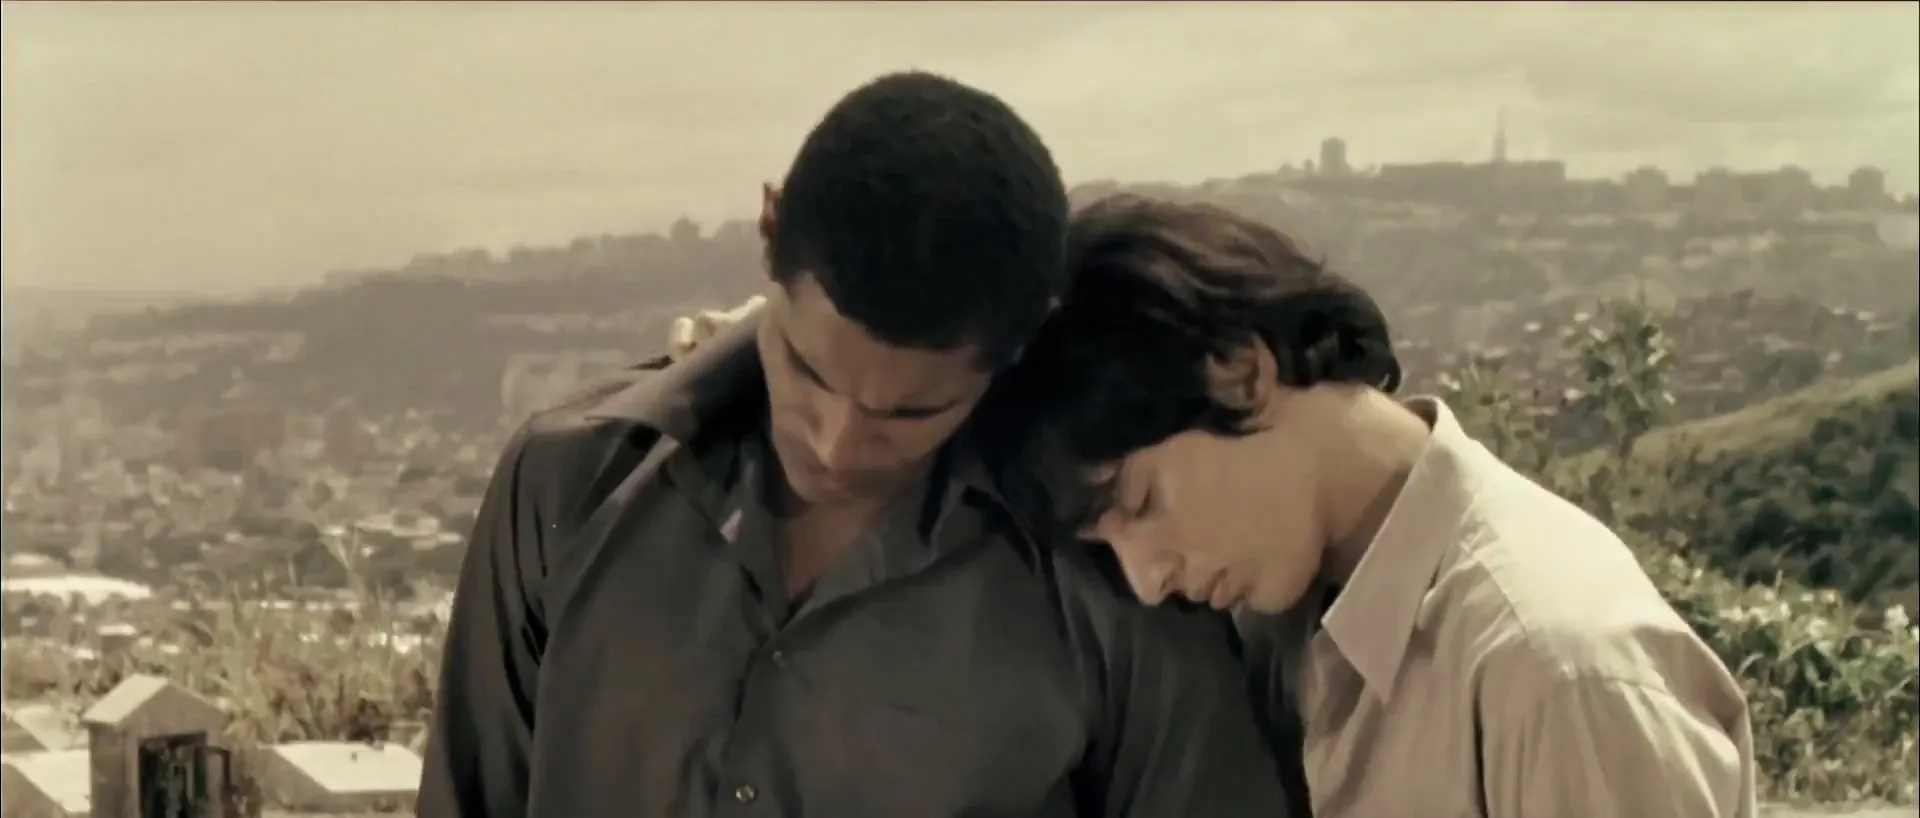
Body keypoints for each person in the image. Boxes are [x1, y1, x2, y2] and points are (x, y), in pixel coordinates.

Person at [417, 73, 1294, 818]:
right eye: (807, 371)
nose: (837, 445)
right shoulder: (567, 484)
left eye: (909, 415)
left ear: (1017, 347)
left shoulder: (1106, 576)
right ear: (770, 233)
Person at [998, 193, 1759, 818]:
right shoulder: (1275, 628)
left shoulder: (1555, 672)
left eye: (1142, 502)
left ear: (1237, 372)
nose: (1146, 579)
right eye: (1107, 544)